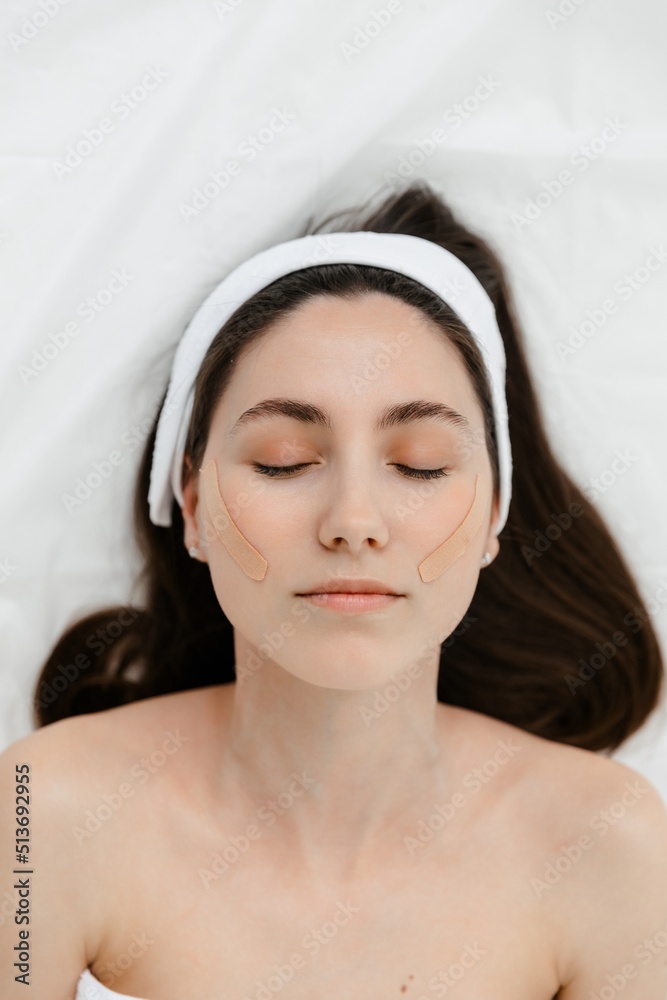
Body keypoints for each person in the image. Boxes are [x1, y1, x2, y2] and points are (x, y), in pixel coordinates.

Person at [1, 180, 666, 1000]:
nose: (353, 521)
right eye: (283, 460)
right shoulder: (36, 813)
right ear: (195, 506)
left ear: (494, 514)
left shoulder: (609, 845)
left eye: (419, 464)